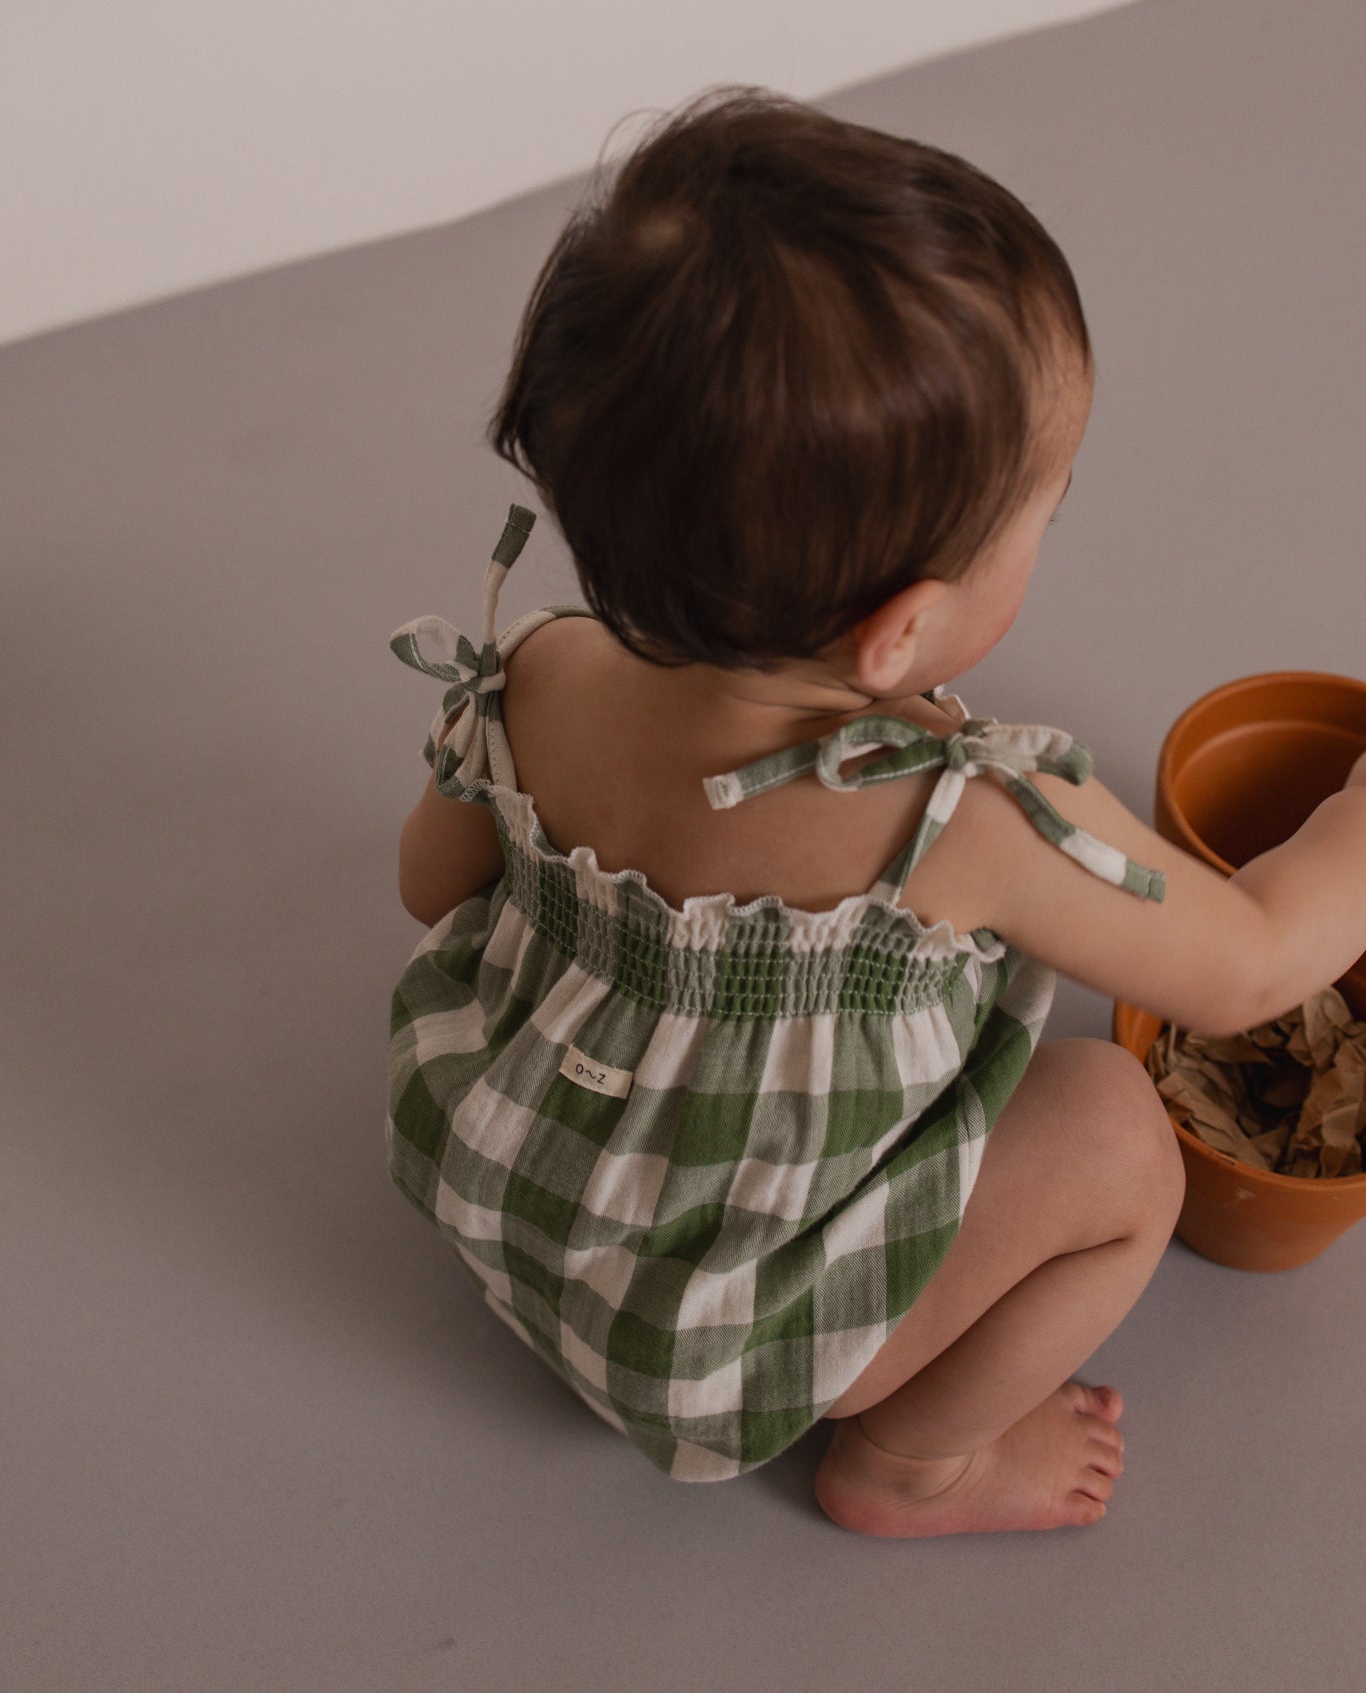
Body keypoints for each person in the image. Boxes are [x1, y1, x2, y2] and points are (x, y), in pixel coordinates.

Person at [387, 86, 1366, 1537]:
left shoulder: (541, 667)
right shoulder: (964, 816)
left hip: (516, 1203)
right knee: (1112, 1133)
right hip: (728, 1345)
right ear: (900, 635)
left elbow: (428, 884)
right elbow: (1255, 964)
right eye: (1049, 506)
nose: (1054, 521)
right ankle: (914, 1464)